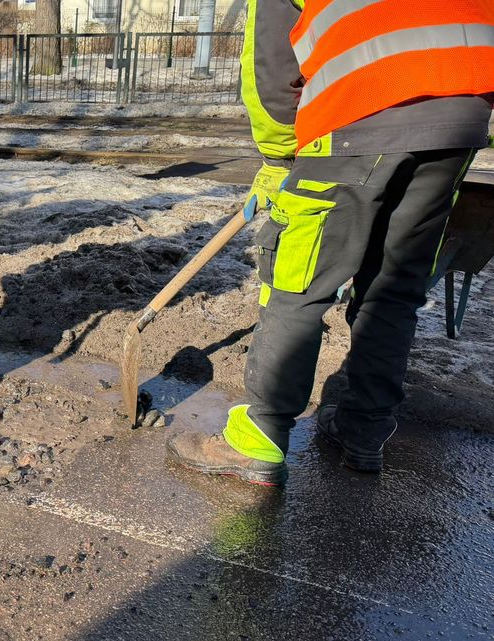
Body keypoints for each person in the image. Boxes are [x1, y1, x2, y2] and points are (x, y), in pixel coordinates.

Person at [166, 0, 494, 486]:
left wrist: (279, 158)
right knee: (393, 288)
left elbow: (273, 65)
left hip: (354, 112)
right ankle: (363, 432)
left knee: (298, 279)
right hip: (458, 121)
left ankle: (259, 436)